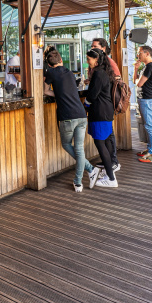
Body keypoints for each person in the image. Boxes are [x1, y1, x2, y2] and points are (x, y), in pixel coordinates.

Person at [43, 49, 100, 191]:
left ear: (49, 65)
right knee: (79, 150)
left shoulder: (50, 73)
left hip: (67, 117)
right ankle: (79, 181)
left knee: (66, 144)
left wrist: (57, 94)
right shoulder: (69, 72)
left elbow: (45, 91)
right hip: (81, 114)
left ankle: (90, 169)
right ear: (61, 60)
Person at [84, 48, 118, 187]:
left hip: (99, 112)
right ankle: (110, 174)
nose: (87, 62)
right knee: (107, 143)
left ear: (96, 59)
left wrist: (85, 104)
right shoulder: (106, 72)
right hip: (106, 111)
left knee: (100, 144)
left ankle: (111, 179)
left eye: (89, 59)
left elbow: (92, 95)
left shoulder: (98, 74)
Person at [89, 38, 121, 173]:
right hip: (105, 104)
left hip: (103, 104)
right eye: (92, 46)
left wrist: (102, 86)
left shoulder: (107, 63)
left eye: (95, 46)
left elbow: (118, 78)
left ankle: (113, 162)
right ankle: (109, 162)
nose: (92, 48)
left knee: (107, 137)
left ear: (103, 48)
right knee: (106, 136)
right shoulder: (99, 68)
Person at [135, 45, 152, 163]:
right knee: (148, 125)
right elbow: (137, 81)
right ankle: (150, 149)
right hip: (144, 99)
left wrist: (137, 82)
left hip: (147, 100)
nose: (138, 55)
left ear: (147, 54)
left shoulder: (150, 66)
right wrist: (136, 69)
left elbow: (139, 84)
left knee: (150, 126)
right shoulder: (146, 67)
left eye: (139, 53)